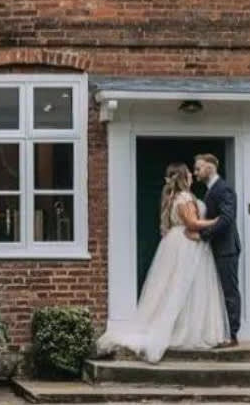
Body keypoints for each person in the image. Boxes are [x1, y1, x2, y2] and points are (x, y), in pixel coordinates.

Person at [95, 163, 228, 363]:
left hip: (175, 243)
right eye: (189, 174)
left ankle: (183, 326)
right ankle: (186, 331)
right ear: (184, 177)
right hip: (187, 245)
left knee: (173, 287)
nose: (192, 176)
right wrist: (218, 221)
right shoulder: (184, 197)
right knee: (184, 288)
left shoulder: (173, 197)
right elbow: (192, 224)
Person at [192, 152, 242, 346]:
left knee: (229, 291)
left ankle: (233, 335)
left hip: (226, 249)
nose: (195, 172)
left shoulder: (224, 189)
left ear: (210, 168)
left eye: (198, 168)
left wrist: (203, 235)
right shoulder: (210, 189)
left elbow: (227, 219)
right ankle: (220, 331)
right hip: (215, 249)